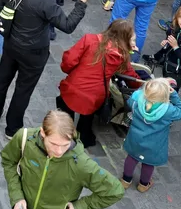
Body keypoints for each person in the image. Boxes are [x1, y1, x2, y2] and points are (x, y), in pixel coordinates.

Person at [0, 0, 90, 137]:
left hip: (11, 44)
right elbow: (67, 26)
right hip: (34, 53)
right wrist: (81, 2)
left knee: (1, 79)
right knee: (23, 90)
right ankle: (12, 129)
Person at [1, 110, 124, 209]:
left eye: (65, 145)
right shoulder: (24, 138)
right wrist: (17, 196)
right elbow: (8, 162)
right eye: (53, 144)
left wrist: (80, 208)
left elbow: (115, 191)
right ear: (42, 132)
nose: (59, 151)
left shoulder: (81, 163)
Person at [57, 18, 135, 147]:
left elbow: (69, 61)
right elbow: (130, 76)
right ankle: (83, 138)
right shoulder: (122, 55)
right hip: (94, 96)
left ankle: (63, 133)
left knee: (65, 112)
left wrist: (70, 72)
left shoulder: (89, 39)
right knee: (87, 119)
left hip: (72, 87)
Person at [121, 77, 181, 193]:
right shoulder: (168, 110)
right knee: (148, 164)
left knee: (131, 158)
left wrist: (145, 88)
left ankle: (125, 181)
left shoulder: (136, 102)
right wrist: (174, 95)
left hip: (135, 139)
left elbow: (133, 97)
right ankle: (143, 184)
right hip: (154, 144)